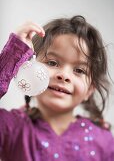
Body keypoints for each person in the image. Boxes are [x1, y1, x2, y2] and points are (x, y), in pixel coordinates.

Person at [0, 15, 114, 161]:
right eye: (52, 63)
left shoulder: (103, 141)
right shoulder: (11, 127)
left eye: (79, 70)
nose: (64, 75)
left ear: (90, 90)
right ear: (28, 69)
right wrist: (12, 55)